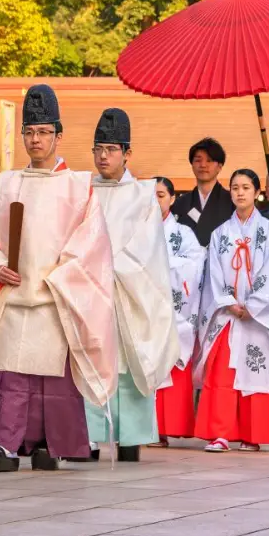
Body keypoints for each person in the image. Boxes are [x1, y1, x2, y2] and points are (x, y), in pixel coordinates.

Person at [0, 83, 117, 472]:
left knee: (53, 378)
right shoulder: (9, 182)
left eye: (43, 132)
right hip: (13, 293)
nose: (35, 139)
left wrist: (63, 278)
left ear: (59, 136)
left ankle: (53, 444)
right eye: (29, 131)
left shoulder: (79, 187)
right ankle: (5, 444)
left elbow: (91, 245)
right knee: (10, 370)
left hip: (55, 295)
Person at [84, 108, 179, 462]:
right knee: (89, 360)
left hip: (128, 290)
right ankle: (90, 435)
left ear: (127, 152)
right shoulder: (83, 190)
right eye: (98, 148)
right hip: (88, 290)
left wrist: (110, 270)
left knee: (130, 359)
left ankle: (131, 438)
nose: (103, 156)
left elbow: (148, 248)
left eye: (111, 148)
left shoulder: (143, 195)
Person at [194, 169, 269, 452]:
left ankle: (252, 433)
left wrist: (254, 305)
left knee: (259, 371)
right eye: (235, 187)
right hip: (229, 314)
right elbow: (214, 275)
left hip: (261, 317)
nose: (240, 192)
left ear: (256, 191)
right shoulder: (221, 233)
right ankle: (220, 433)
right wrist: (229, 302)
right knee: (222, 373)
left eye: (246, 187)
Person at [152, 177, 205, 446]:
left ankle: (170, 426)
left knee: (172, 362)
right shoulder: (136, 231)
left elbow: (196, 264)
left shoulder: (183, 233)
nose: (155, 199)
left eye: (161, 195)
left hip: (176, 310)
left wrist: (164, 263)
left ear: (172, 199)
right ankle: (147, 428)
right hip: (146, 308)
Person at [170, 138, 236, 247]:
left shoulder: (232, 202)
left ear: (219, 167)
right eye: (198, 160)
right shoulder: (180, 203)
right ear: (192, 165)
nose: (203, 165)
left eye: (209, 160)